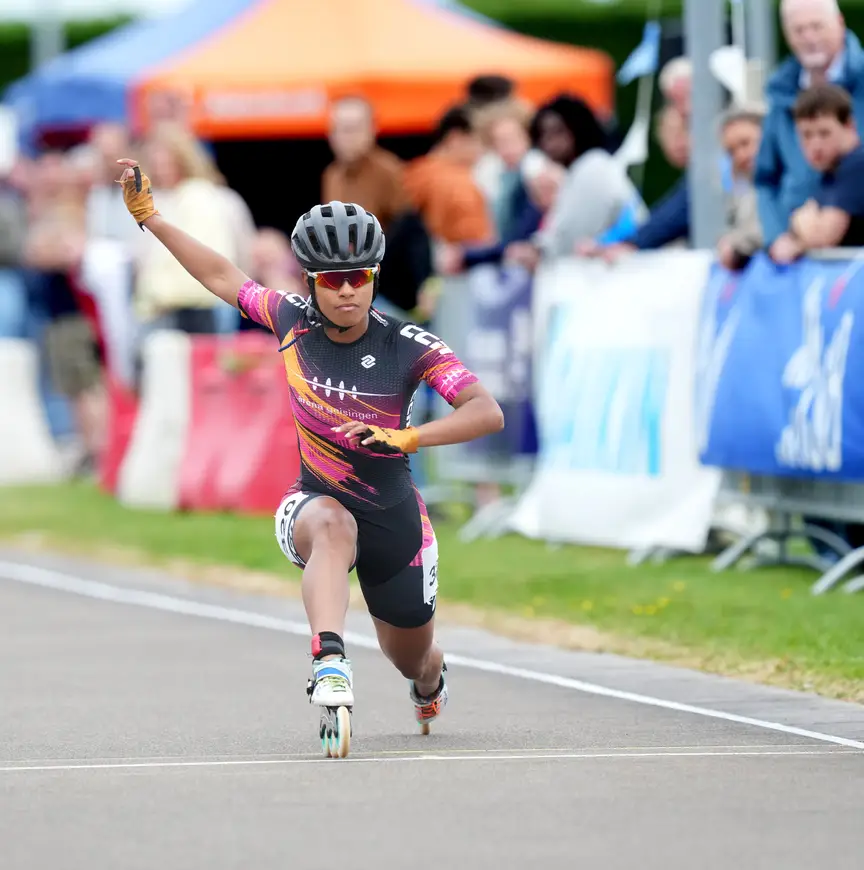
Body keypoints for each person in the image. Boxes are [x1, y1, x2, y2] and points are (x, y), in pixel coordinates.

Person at [115, 157, 505, 757]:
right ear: (310, 282)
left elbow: (486, 411)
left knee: (412, 659)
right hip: (314, 500)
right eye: (330, 280)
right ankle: (329, 662)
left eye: (358, 277)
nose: (346, 290)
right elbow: (221, 275)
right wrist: (152, 219)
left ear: (373, 276)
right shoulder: (290, 322)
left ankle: (430, 677)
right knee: (330, 523)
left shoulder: (406, 344)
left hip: (394, 514)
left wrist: (408, 438)